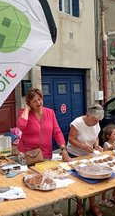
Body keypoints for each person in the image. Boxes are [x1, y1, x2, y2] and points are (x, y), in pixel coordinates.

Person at [17, 88, 71, 216]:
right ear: (29, 103)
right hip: (28, 155)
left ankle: (56, 211)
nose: (38, 103)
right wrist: (26, 110)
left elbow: (57, 131)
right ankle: (33, 210)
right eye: (34, 101)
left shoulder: (50, 112)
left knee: (49, 180)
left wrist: (63, 149)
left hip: (45, 154)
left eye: (39, 99)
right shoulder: (24, 113)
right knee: (31, 183)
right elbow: (21, 126)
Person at [67, 104, 104, 216]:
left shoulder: (96, 123)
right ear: (88, 115)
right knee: (80, 182)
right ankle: (80, 206)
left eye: (98, 120)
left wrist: (96, 145)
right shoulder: (77, 123)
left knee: (91, 179)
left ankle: (93, 205)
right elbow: (71, 139)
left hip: (89, 155)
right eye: (95, 120)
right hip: (75, 154)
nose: (96, 122)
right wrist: (83, 146)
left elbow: (96, 136)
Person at [99, 124, 115, 208]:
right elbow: (105, 156)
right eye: (114, 134)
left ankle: (114, 195)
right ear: (108, 136)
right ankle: (103, 199)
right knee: (107, 182)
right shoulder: (106, 144)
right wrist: (110, 149)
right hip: (108, 165)